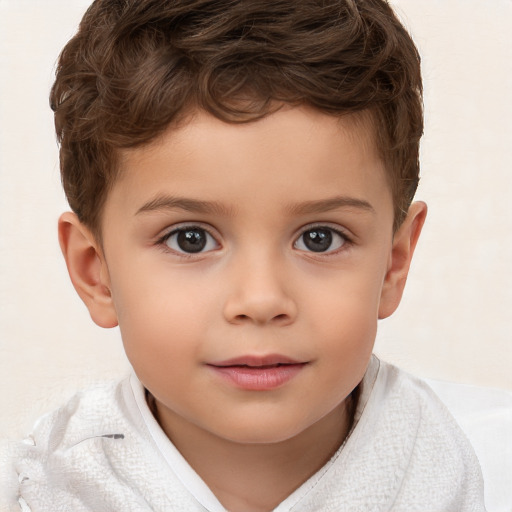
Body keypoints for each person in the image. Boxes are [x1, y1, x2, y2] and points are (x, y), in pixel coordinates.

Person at [9, 0, 485, 510]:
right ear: (95, 272)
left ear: (393, 263)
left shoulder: (438, 466)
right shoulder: (52, 487)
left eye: (320, 238)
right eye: (189, 238)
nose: (260, 300)